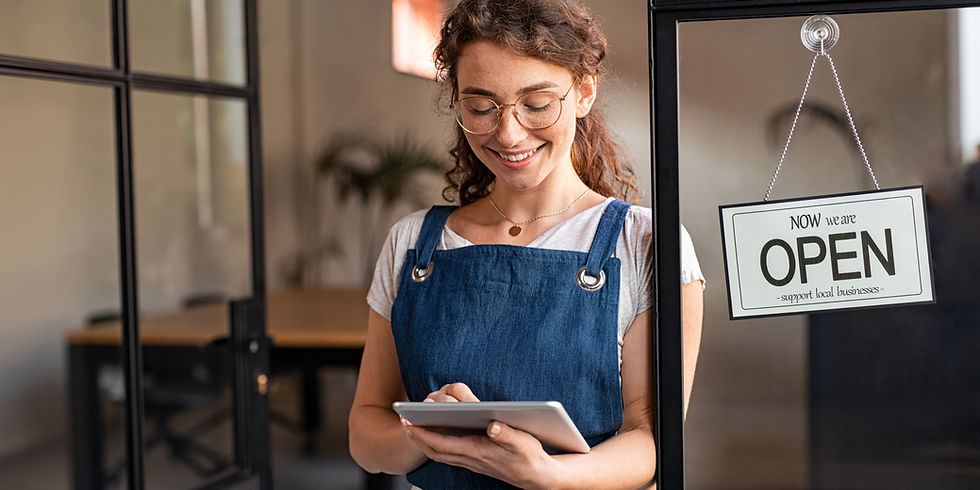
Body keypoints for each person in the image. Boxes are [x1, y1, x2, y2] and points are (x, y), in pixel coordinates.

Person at [348, 0, 704, 488]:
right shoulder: (414, 243)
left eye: (536, 104)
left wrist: (548, 476)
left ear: (583, 92)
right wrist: (425, 434)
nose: (509, 133)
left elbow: (651, 442)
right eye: (480, 107)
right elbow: (366, 434)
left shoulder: (643, 242)